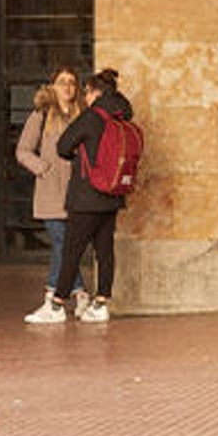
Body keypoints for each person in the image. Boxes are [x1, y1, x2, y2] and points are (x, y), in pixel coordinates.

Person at [28, 68, 133, 324]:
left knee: (71, 252)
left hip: (86, 196)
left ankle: (56, 306)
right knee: (105, 251)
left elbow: (63, 146)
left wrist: (79, 156)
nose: (84, 96)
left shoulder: (91, 117)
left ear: (95, 92)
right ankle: (101, 304)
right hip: (112, 195)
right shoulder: (122, 117)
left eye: (85, 91)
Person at [16, 67, 90, 323]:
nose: (67, 87)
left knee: (69, 246)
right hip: (50, 192)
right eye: (62, 82)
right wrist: (43, 169)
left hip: (78, 192)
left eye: (72, 83)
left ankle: (79, 295)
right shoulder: (42, 115)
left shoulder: (84, 115)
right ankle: (54, 297)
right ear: (53, 87)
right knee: (63, 244)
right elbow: (23, 150)